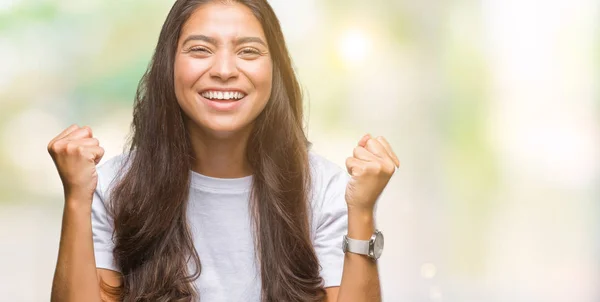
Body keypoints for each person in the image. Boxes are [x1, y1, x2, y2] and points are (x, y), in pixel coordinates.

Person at [47, 0, 400, 301]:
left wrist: (362, 212)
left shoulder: (324, 189)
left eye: (248, 51)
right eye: (200, 49)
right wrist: (77, 197)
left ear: (275, 71)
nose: (225, 70)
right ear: (169, 65)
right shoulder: (112, 186)